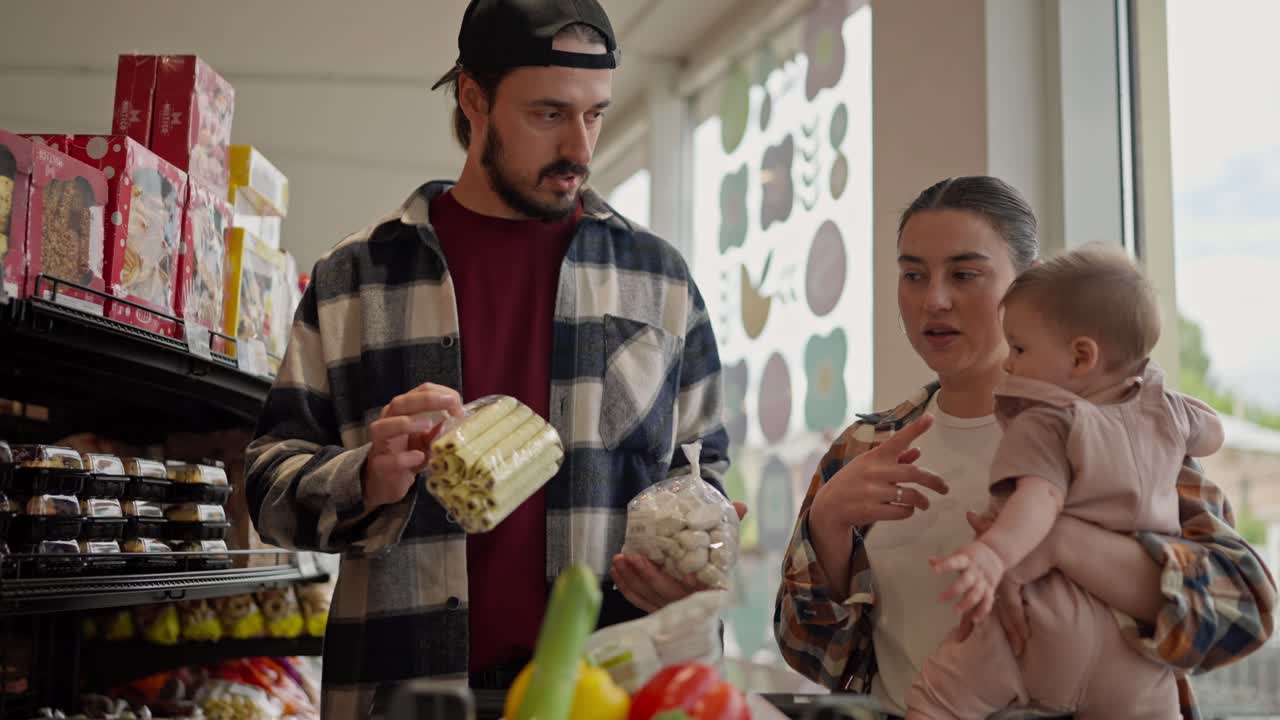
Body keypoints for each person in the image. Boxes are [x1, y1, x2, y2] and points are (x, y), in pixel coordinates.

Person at [244, 1, 736, 716]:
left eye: (595, 114)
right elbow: (267, 483)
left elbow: (703, 472)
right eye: (548, 114)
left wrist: (695, 557)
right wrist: (366, 479)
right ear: (473, 99)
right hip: (405, 693)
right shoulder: (355, 276)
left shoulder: (659, 280)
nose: (581, 146)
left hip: (608, 694)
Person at [773, 176, 1276, 719]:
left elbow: (1243, 609)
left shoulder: (1126, 430)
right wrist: (827, 525)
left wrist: (1056, 540)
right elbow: (815, 660)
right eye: (913, 275)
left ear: (1025, 288)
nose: (934, 300)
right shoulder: (865, 450)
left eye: (965, 274)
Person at [905, 245, 1225, 718]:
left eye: (1019, 348)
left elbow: (1041, 497)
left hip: (1043, 623)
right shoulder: (1170, 413)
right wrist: (1158, 398)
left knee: (937, 700)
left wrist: (994, 553)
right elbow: (1214, 433)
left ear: (1080, 357)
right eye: (913, 274)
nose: (1010, 363)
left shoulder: (1048, 420)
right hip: (1136, 658)